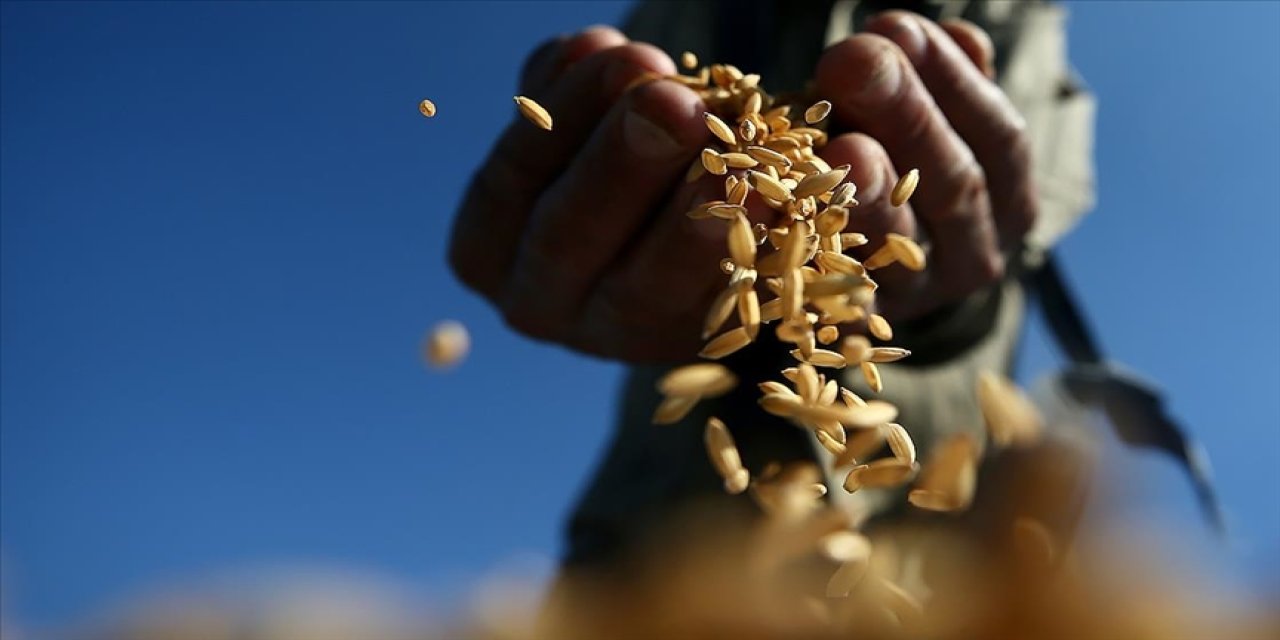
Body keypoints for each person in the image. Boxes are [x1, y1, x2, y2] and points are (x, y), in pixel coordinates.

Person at [448, 0, 1096, 574]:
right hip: (661, 553)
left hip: (937, 550)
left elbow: (1022, 209)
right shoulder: (669, 19)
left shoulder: (1010, 12)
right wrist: (570, 240)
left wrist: (955, 295)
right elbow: (621, 146)